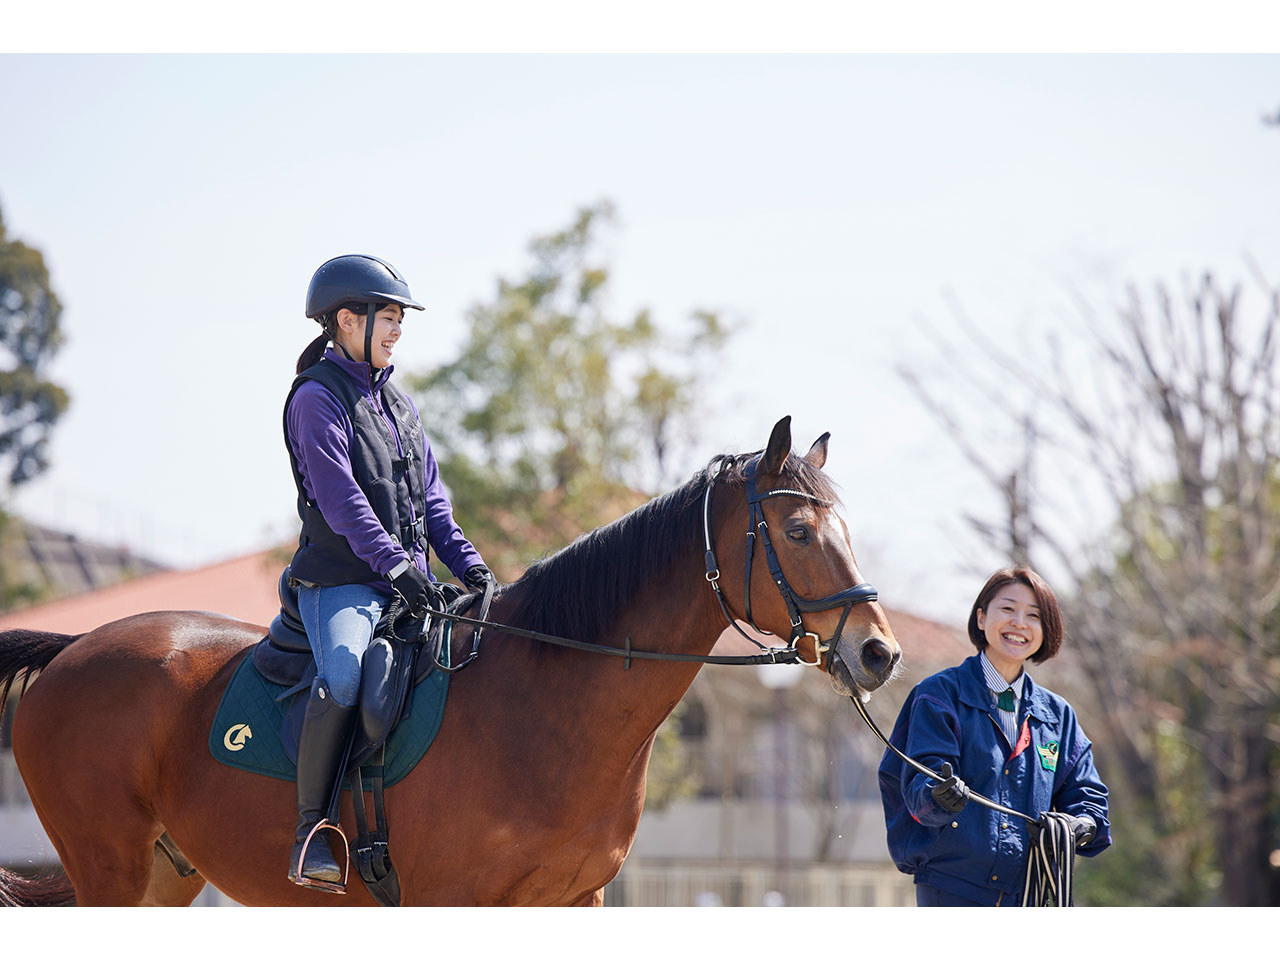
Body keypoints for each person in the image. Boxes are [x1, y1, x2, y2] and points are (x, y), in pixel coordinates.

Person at [283, 254, 493, 888]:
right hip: (341, 584)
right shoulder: (316, 399)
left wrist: (472, 568)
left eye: (401, 319)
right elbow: (343, 501)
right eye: (390, 318)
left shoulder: (400, 405)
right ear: (347, 320)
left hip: (403, 584)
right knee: (344, 677)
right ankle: (311, 830)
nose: (398, 331)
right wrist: (399, 566)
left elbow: (431, 501)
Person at [877, 565, 1111, 906]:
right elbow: (919, 791)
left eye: (1034, 615)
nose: (1019, 623)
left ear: (1047, 631)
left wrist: (1081, 825)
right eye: (1008, 609)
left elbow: (1088, 798)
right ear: (981, 617)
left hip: (1032, 895)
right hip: (952, 891)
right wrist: (939, 796)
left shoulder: (1058, 716)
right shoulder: (939, 695)